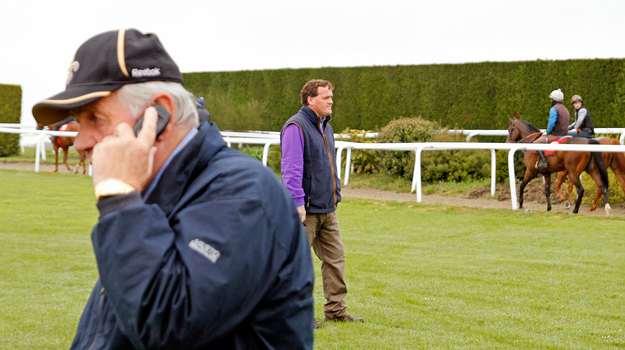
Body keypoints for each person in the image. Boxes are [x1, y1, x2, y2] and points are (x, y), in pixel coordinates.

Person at [32, 28, 314, 349]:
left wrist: (119, 199)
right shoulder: (154, 196)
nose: (80, 141)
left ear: (159, 115)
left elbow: (165, 328)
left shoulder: (243, 193)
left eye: (94, 117)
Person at [280, 79, 364, 329]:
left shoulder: (326, 127)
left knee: (336, 261)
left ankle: (336, 311)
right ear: (310, 100)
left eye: (331, 97)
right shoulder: (296, 126)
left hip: (328, 208)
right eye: (326, 97)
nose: (331, 101)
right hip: (304, 211)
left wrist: (335, 196)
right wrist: (297, 202)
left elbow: (329, 166)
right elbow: (291, 169)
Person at [534, 88, 570, 169]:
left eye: (551, 99)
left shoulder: (554, 109)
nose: (551, 100)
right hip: (566, 134)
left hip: (556, 134)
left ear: (554, 99)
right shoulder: (565, 108)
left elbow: (551, 123)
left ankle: (544, 161)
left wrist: (547, 132)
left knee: (536, 143)